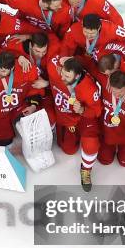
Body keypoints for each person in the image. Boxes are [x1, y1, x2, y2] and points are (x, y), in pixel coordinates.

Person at [44, 57, 102, 190]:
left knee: (91, 144)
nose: (62, 78)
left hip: (84, 118)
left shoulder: (88, 88)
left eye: (67, 76)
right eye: (62, 73)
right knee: (69, 150)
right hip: (65, 117)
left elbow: (97, 111)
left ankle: (86, 170)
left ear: (77, 76)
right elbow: (52, 58)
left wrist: (83, 110)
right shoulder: (56, 69)